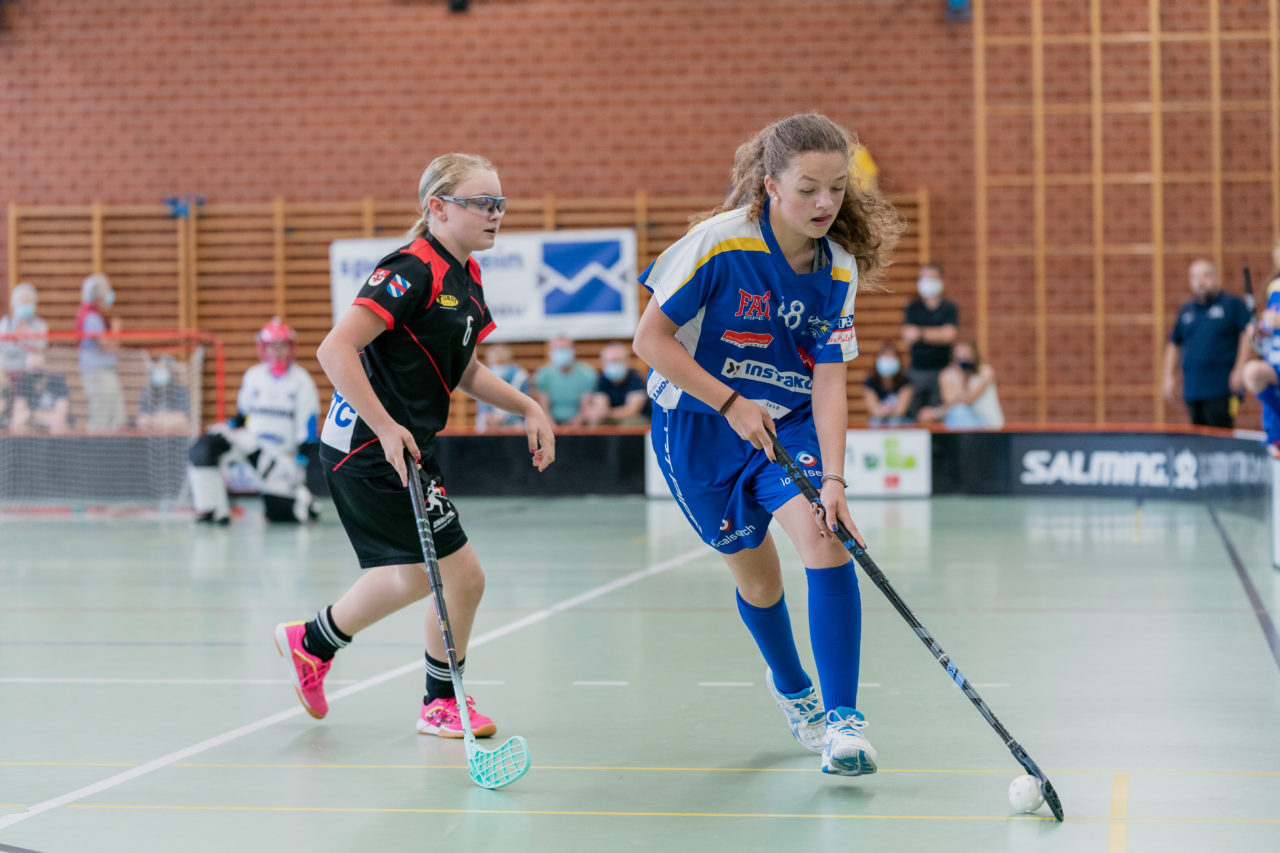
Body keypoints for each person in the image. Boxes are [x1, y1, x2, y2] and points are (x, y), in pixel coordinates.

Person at [632, 114, 902, 776]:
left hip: (789, 422)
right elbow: (650, 340)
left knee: (825, 534)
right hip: (696, 426)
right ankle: (793, 689)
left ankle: (842, 720)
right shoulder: (719, 245)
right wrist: (727, 400)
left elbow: (833, 376)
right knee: (757, 573)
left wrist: (834, 478)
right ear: (769, 184)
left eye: (837, 189)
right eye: (808, 188)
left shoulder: (836, 268)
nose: (824, 203)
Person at [274, 153, 555, 739]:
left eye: (499, 203)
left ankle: (312, 641)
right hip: (368, 446)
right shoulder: (411, 268)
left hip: (401, 445)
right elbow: (335, 350)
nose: (494, 213)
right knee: (464, 576)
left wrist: (528, 405)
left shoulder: (467, 276)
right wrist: (384, 426)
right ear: (438, 207)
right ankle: (440, 702)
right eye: (481, 202)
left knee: (407, 577)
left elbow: (466, 371)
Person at [187, 319, 320, 524]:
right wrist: (226, 427)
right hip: (250, 443)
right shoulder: (253, 376)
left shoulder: (302, 382)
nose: (277, 352)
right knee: (204, 447)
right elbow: (243, 416)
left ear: (291, 348)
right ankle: (212, 509)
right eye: (272, 347)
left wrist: (300, 465)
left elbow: (308, 432)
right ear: (263, 349)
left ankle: (305, 501)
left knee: (280, 514)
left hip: (279, 456)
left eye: (282, 346)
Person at [1163, 259, 1252, 428]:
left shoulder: (1232, 305)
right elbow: (1173, 343)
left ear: (1216, 278)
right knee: (1198, 437)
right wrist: (1168, 376)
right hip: (1193, 388)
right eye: (1196, 277)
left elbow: (1247, 335)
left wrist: (1240, 369)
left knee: (1220, 435)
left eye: (1206, 275)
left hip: (1222, 386)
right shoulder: (1186, 311)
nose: (1201, 281)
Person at [900, 261, 957, 418]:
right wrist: (936, 334)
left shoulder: (949, 308)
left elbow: (949, 335)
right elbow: (908, 335)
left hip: (942, 370)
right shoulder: (913, 308)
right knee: (913, 413)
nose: (927, 283)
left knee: (939, 414)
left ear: (941, 281)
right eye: (924, 278)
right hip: (917, 371)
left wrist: (920, 334)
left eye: (932, 278)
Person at [1240, 240, 1280, 450]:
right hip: (1275, 362)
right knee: (1252, 372)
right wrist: (1259, 333)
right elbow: (1269, 335)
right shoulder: (1275, 288)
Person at [76, 273, 125, 432]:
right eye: (108, 290)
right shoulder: (91, 317)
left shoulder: (97, 316)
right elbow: (107, 345)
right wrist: (116, 331)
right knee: (101, 416)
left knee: (115, 415)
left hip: (105, 372)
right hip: (98, 373)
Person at [919, 340, 1004, 429]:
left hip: (987, 424)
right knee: (956, 412)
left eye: (966, 354)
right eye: (959, 354)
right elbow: (950, 402)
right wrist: (960, 376)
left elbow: (967, 400)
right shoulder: (949, 374)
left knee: (958, 411)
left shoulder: (985, 372)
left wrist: (935, 413)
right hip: (963, 423)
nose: (963, 358)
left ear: (974, 355)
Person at [533, 335, 597, 425]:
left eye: (565, 348)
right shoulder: (543, 374)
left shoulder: (587, 373)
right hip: (552, 423)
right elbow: (544, 409)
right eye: (557, 349)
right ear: (550, 352)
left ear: (573, 351)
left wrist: (573, 426)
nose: (561, 352)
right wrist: (553, 428)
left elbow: (585, 408)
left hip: (579, 424)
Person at [584, 340, 650, 426]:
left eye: (617, 360)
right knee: (595, 421)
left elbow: (632, 411)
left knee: (630, 423)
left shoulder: (635, 378)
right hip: (612, 418)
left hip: (636, 418)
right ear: (603, 363)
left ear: (626, 361)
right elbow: (601, 408)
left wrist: (607, 413)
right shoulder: (602, 380)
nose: (613, 364)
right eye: (610, 361)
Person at [9, 351, 70, 434]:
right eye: (33, 368)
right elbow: (18, 411)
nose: (36, 372)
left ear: (45, 365)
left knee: (58, 425)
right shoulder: (24, 381)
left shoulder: (57, 382)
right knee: (17, 422)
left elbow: (60, 415)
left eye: (39, 367)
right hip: (33, 420)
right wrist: (29, 416)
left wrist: (32, 414)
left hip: (48, 421)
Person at [473, 343, 529, 432]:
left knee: (519, 427)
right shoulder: (486, 375)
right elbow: (482, 404)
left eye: (500, 363)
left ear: (508, 362)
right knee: (481, 425)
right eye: (494, 363)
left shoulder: (519, 376)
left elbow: (522, 405)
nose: (497, 366)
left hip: (513, 421)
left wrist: (503, 418)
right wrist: (488, 416)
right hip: (490, 422)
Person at [0, 282, 50, 377]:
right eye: (21, 302)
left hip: (30, 370)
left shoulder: (39, 324)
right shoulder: (5, 323)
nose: (24, 305)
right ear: (14, 303)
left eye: (28, 302)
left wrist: (25, 337)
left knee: (36, 359)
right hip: (7, 366)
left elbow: (41, 346)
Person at [862, 341, 914, 426]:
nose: (888, 360)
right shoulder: (870, 382)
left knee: (896, 421)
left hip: (901, 421)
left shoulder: (905, 381)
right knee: (875, 422)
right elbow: (874, 408)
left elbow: (901, 410)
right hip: (879, 420)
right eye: (885, 356)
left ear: (898, 360)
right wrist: (882, 411)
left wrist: (888, 410)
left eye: (891, 357)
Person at [136, 354, 192, 432]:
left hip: (176, 436)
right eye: (155, 369)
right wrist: (154, 420)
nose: (157, 371)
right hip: (153, 436)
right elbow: (141, 420)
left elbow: (182, 418)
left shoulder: (180, 391)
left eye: (160, 368)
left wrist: (163, 418)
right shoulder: (147, 392)